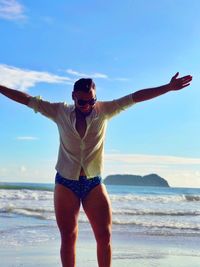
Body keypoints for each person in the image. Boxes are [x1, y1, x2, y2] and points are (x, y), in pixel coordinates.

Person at [0, 72, 192, 267]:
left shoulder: (105, 110)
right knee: (68, 236)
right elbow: (27, 100)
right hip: (66, 182)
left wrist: (167, 88)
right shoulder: (59, 112)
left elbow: (135, 97)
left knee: (104, 236)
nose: (88, 106)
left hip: (93, 182)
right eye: (83, 102)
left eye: (92, 101)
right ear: (73, 96)